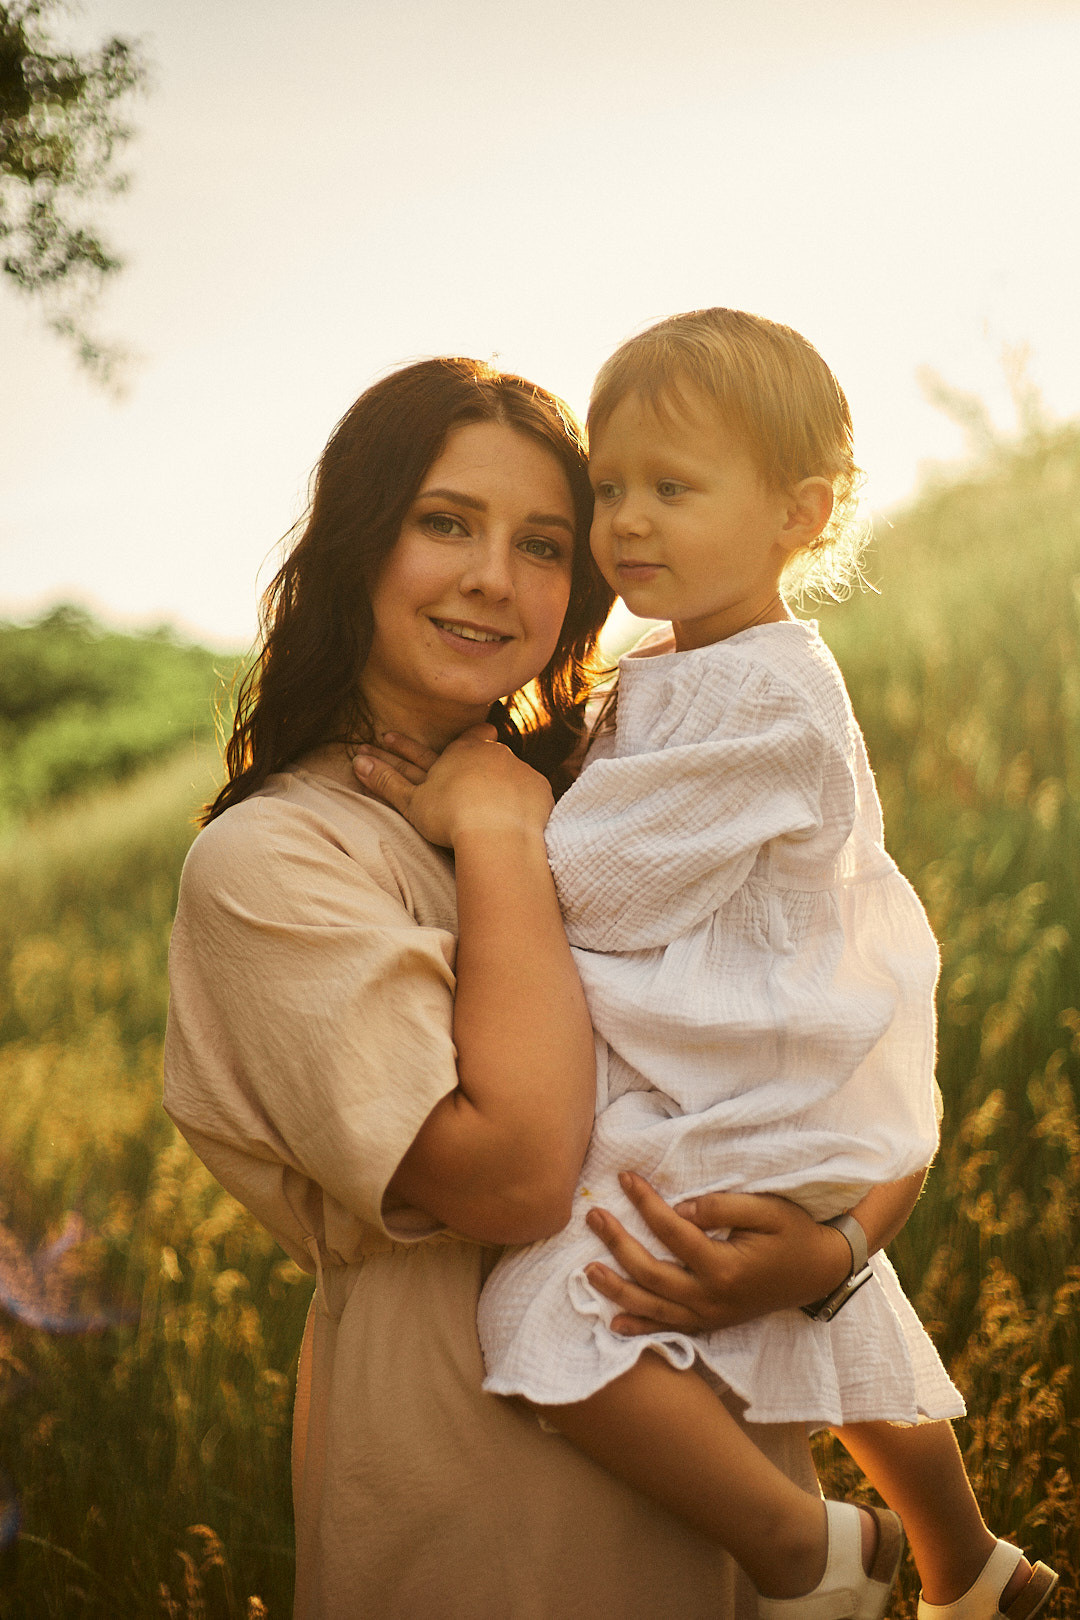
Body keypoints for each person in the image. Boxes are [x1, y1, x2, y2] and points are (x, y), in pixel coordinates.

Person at [163, 355, 929, 1620]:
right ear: (361, 539)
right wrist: (504, 840)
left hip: (721, 1428)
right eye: (445, 522)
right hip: (476, 1478)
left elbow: (855, 1044)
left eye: (541, 542)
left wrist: (829, 1247)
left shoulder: (625, 791)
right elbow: (517, 1178)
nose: (490, 578)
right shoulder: (275, 861)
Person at [356, 317, 1058, 1620]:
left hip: (740, 1071)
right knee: (826, 1310)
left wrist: (476, 814)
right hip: (747, 1065)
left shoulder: (767, 691)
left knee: (543, 1316)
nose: (627, 522)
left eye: (672, 490)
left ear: (801, 513)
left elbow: (609, 886)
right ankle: (969, 1561)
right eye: (610, 487)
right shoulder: (680, 665)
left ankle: (808, 1553)